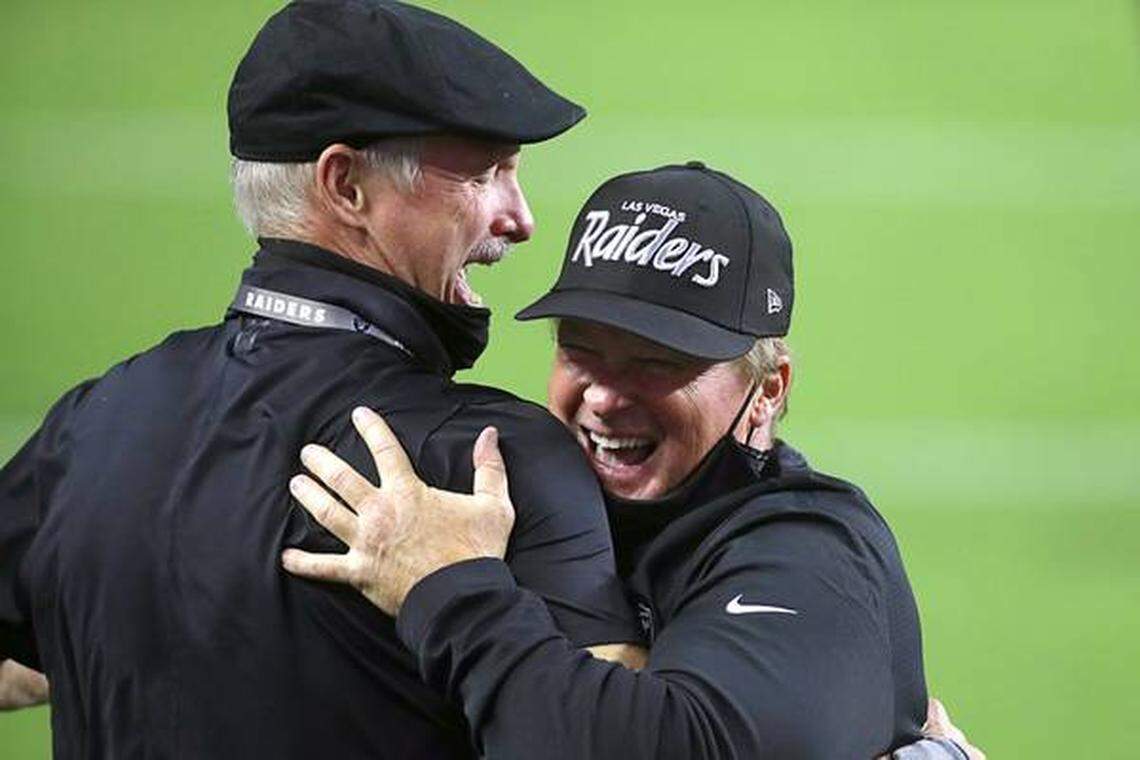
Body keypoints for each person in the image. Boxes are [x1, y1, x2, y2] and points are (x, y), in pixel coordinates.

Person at [0, 1, 641, 756]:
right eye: (485, 173)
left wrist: (131, 621)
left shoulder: (91, 426)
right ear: (345, 187)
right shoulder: (488, 462)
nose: (521, 218)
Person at [282, 162, 986, 759]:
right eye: (579, 348)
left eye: (659, 362)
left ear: (768, 389)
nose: (605, 396)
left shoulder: (808, 554)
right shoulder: (510, 498)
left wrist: (449, 591)